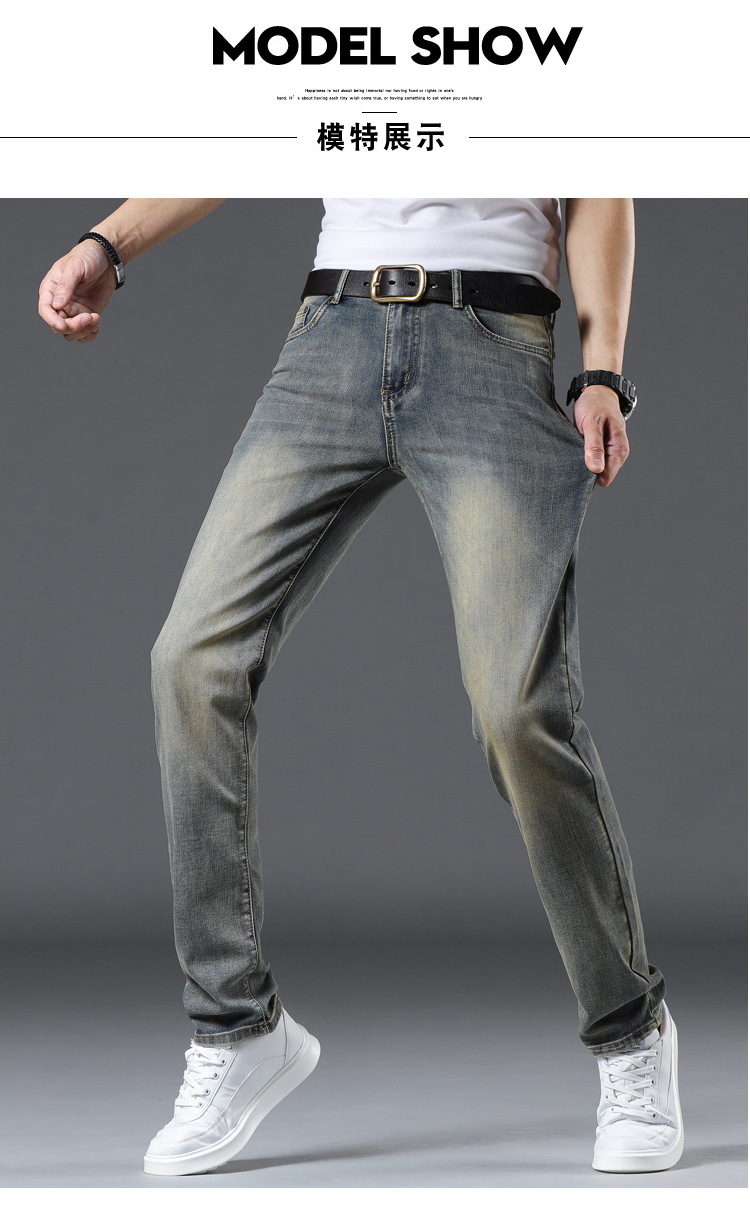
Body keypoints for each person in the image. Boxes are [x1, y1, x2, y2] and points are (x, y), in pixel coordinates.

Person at [38, 197, 683, 1177]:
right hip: (330, 339)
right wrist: (107, 243)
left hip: (493, 338)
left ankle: (631, 1031)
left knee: (518, 708)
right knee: (192, 660)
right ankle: (238, 1028)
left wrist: (601, 370)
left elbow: (599, 186)